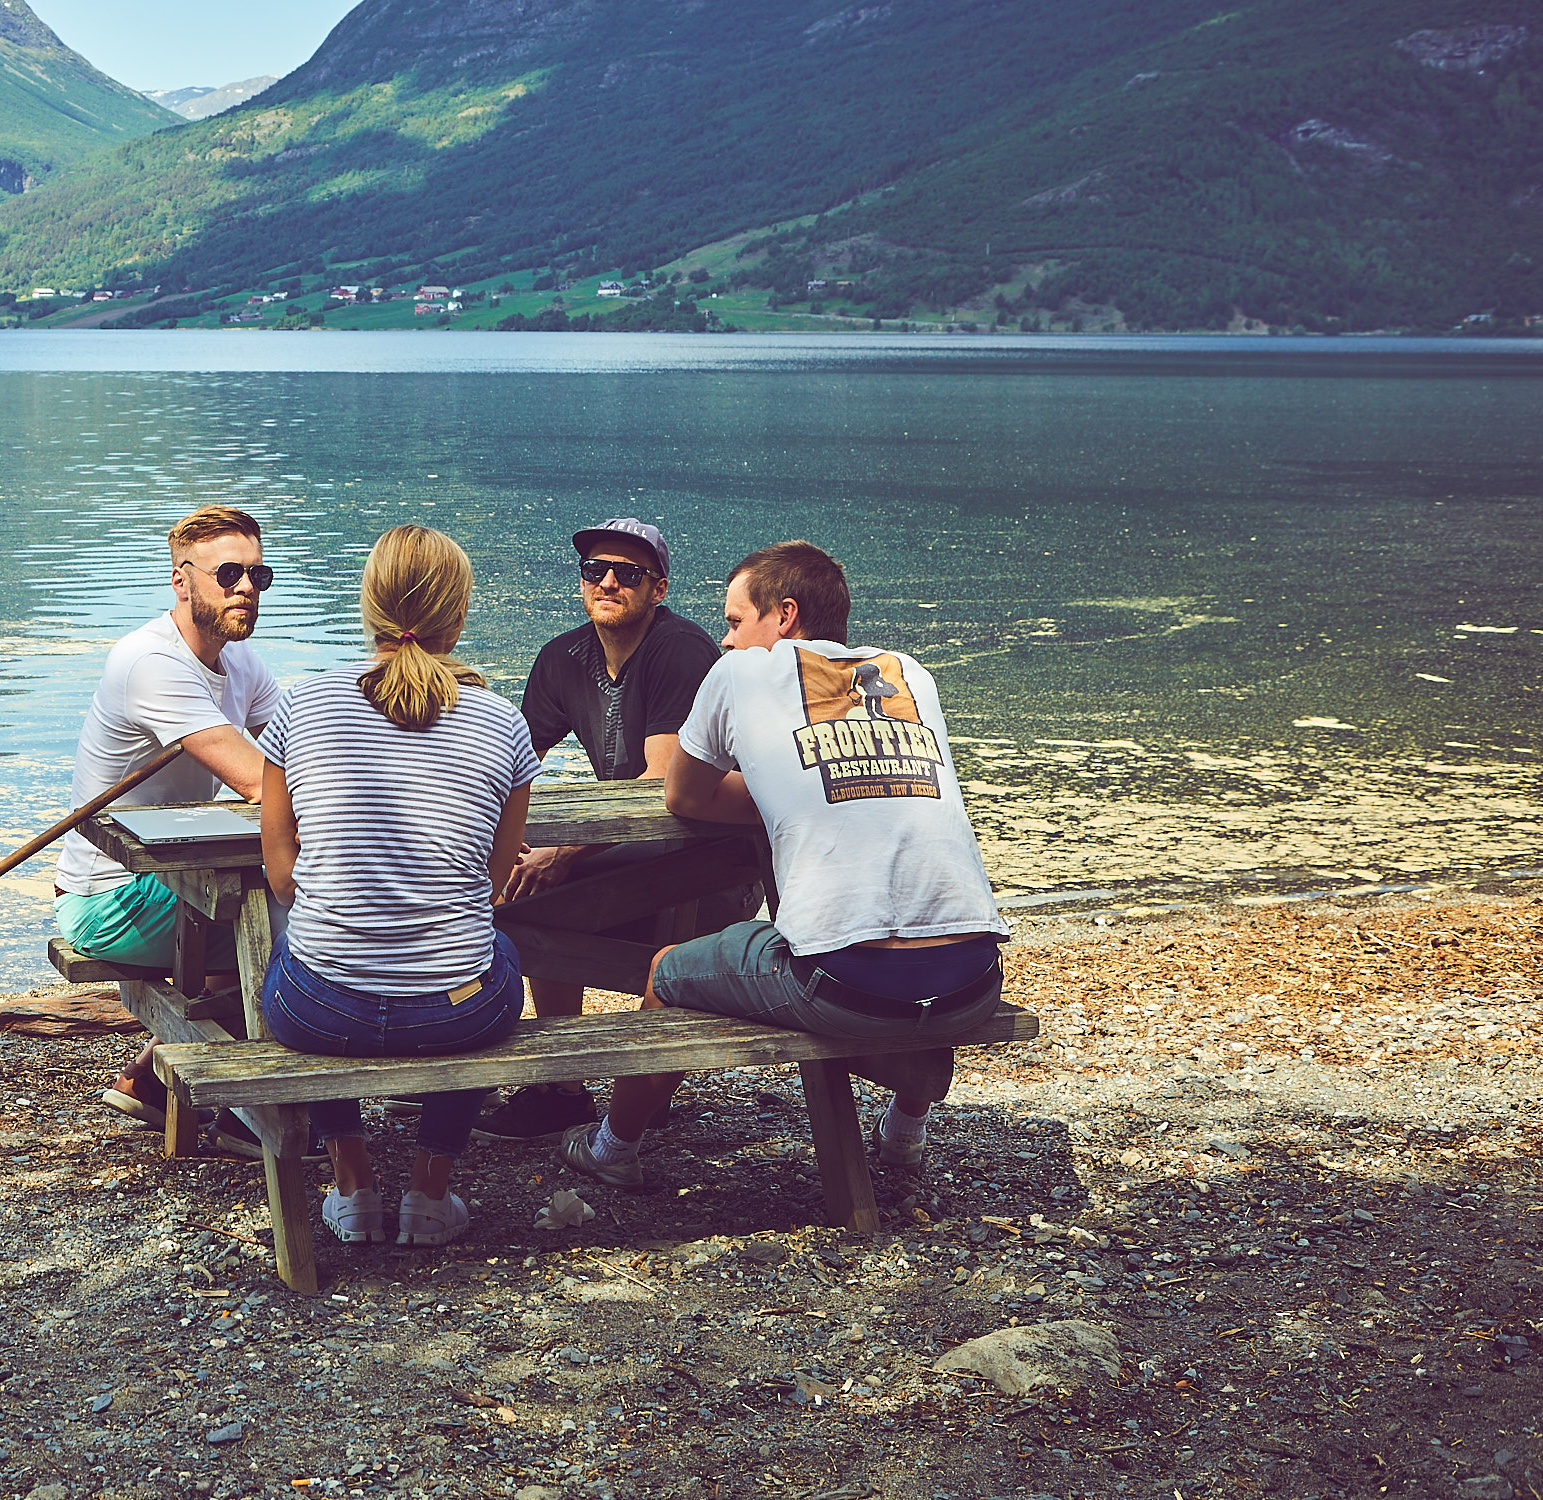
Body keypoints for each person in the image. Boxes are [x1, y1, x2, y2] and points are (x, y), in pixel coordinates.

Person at [560, 540, 1010, 1190]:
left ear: (785, 616)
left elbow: (683, 795)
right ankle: (905, 1134)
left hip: (853, 991)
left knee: (667, 969)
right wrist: (801, 797)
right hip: (972, 983)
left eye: (737, 621)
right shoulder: (910, 673)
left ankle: (611, 1148)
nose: (725, 638)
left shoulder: (740, 675)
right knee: (916, 926)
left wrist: (778, 799)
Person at [258, 525, 539, 1248]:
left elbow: (283, 874)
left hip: (318, 1011)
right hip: (455, 1016)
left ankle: (352, 1186)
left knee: (294, 951)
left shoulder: (301, 705)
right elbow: (494, 878)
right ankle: (428, 1193)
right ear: (460, 611)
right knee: (493, 953)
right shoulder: (504, 724)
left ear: (370, 604)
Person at [474, 515, 724, 1145]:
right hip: (622, 847)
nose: (608, 581)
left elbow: (661, 784)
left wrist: (560, 851)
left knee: (533, 895)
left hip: (700, 859)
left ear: (658, 589)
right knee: (501, 881)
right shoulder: (564, 657)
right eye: (595, 570)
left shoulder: (680, 650)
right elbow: (509, 762)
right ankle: (485, 1061)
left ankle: (565, 1085)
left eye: (628, 574)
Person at [57, 504, 286, 1145]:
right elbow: (259, 778)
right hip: (108, 900)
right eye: (229, 574)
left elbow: (296, 752)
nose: (246, 587)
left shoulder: (243, 664)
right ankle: (254, 1114)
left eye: (258, 576)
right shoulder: (149, 661)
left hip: (172, 885)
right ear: (181, 582)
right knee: (299, 917)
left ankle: (159, 1083)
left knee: (262, 890)